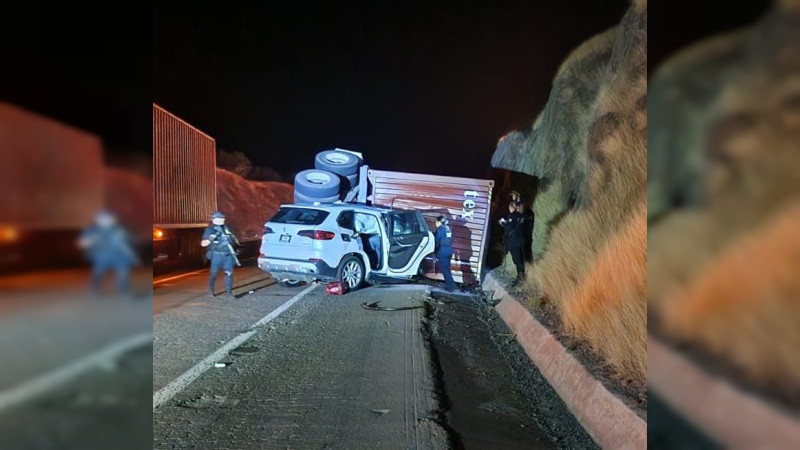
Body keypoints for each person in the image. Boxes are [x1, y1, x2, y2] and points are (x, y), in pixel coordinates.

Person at [78, 210, 138, 295]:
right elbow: (82, 244)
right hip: (102, 255)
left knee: (123, 273)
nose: (106, 221)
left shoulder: (120, 230)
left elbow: (129, 242)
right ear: (98, 220)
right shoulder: (93, 231)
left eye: (108, 219)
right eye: (103, 219)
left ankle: (123, 291)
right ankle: (94, 289)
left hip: (119, 256)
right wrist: (92, 240)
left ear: (113, 220)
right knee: (98, 272)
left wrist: (131, 255)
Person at [201, 211, 240, 296]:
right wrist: (211, 238)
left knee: (229, 273)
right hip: (217, 255)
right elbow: (203, 244)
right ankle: (211, 291)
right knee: (214, 274)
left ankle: (229, 292)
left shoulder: (228, 228)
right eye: (219, 218)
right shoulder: (210, 230)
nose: (222, 220)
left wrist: (236, 248)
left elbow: (234, 240)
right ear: (214, 219)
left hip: (228, 254)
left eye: (222, 218)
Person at [499, 202, 526, 286]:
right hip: (521, 240)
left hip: (514, 242)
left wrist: (502, 223)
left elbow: (509, 228)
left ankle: (520, 277)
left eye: (509, 207)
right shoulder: (520, 216)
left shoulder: (511, 216)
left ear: (511, 208)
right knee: (521, 258)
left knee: (517, 260)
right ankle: (521, 275)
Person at [434, 215, 458, 292]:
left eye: (436, 221)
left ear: (439, 222)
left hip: (443, 251)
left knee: (445, 270)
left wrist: (435, 251)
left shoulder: (440, 229)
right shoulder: (448, 229)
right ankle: (451, 285)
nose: (435, 223)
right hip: (449, 251)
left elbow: (436, 241)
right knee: (447, 269)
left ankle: (452, 287)